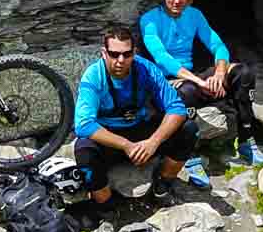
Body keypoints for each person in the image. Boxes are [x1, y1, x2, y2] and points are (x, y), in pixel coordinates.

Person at [138, 0, 263, 167]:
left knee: (243, 73)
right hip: (166, 80)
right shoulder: (149, 20)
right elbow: (162, 58)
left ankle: (246, 141)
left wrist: (219, 73)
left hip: (192, 75)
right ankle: (189, 156)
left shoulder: (194, 15)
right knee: (188, 90)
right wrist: (199, 81)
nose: (177, 1)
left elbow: (218, 46)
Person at [72, 23, 203, 202]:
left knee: (189, 128)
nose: (120, 60)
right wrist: (127, 145)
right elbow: (84, 124)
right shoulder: (93, 76)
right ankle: (106, 206)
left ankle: (163, 184)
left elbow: (176, 108)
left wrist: (153, 142)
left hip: (140, 129)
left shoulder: (146, 69)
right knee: (83, 149)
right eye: (114, 54)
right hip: (110, 138)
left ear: (134, 52)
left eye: (126, 54)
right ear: (104, 53)